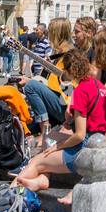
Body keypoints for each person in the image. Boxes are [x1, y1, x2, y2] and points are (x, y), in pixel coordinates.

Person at [14, 49, 106, 195]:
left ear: (69, 70)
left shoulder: (81, 91)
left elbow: (80, 135)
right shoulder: (99, 85)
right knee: (51, 137)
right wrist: (70, 120)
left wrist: (57, 147)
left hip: (87, 148)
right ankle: (42, 179)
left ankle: (11, 195)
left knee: (36, 161)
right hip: (102, 139)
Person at [21, 18, 73, 148]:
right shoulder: (57, 54)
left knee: (31, 87)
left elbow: (70, 88)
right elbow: (52, 84)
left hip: (66, 106)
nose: (48, 35)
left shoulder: (69, 55)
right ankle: (42, 131)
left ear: (56, 33)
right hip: (59, 101)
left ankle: (45, 131)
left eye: (51, 32)